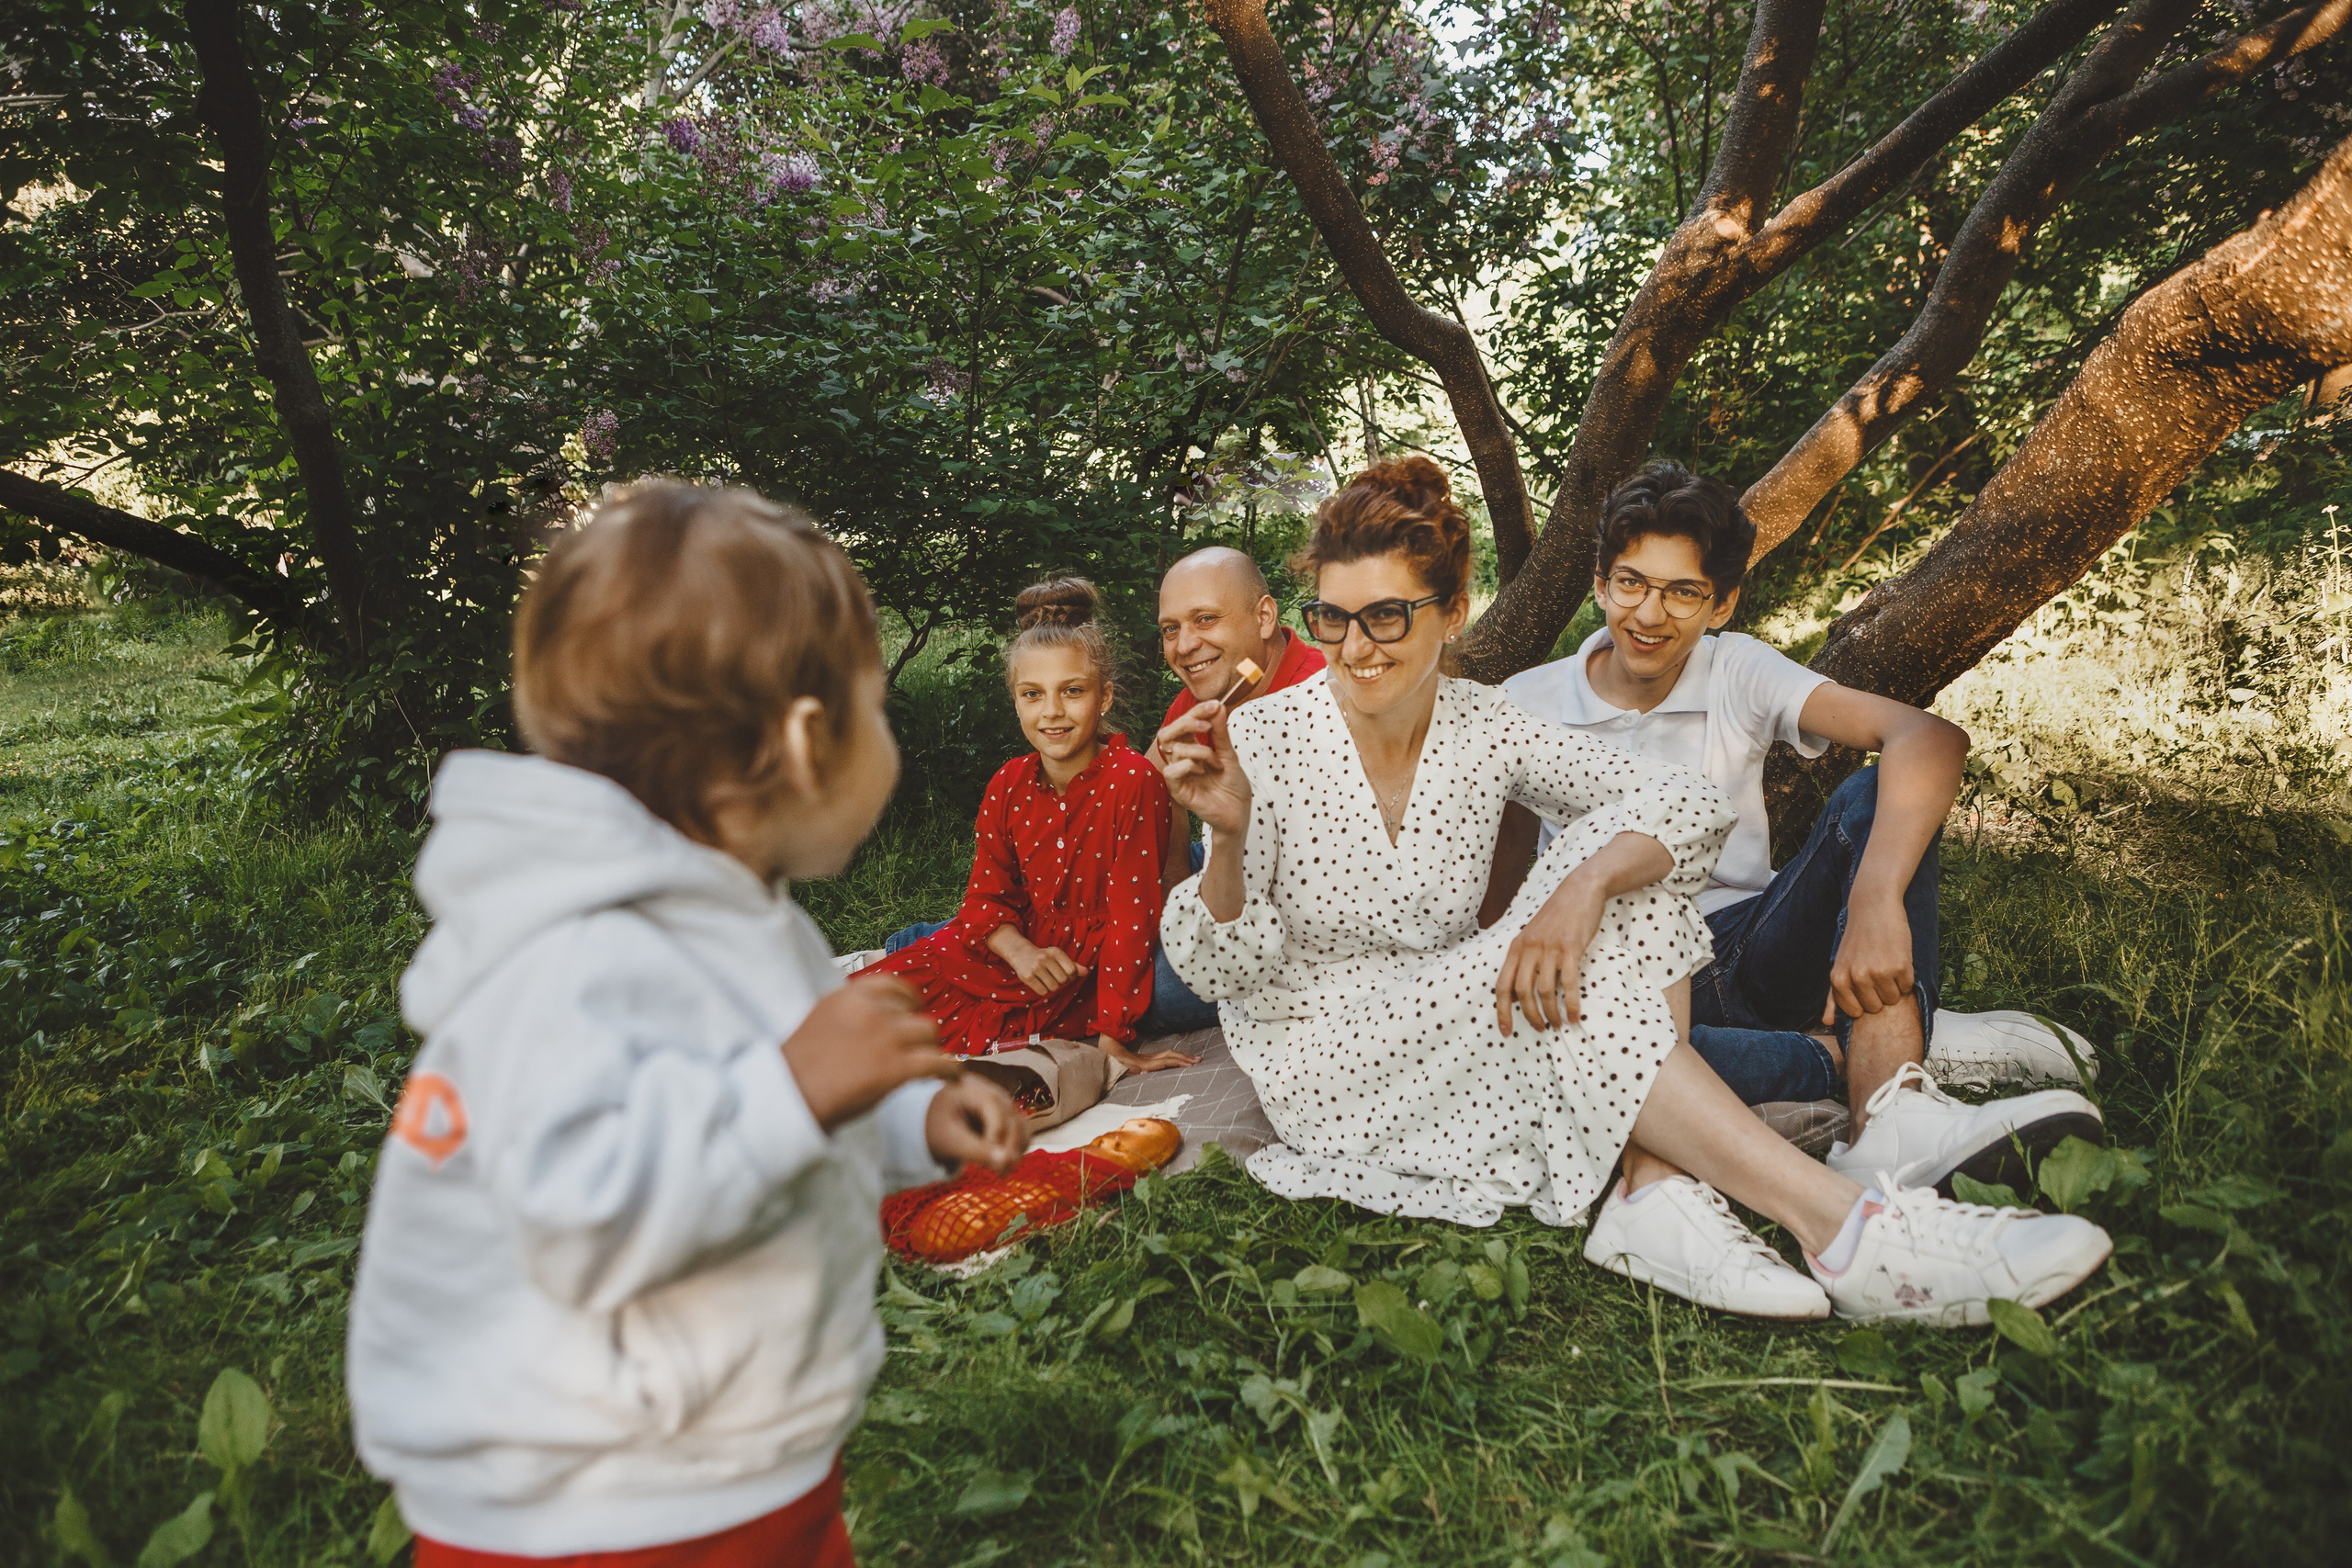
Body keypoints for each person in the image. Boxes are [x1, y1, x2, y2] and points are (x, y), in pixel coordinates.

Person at [1157, 456, 2113, 1322]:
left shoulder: (1487, 723)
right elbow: (1216, 970)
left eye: (1386, 616)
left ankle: (1659, 1192)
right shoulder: (1266, 735)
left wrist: (1584, 885)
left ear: (1452, 613)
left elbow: (1685, 803)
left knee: (1631, 878)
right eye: (1331, 618)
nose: (1355, 647)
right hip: (1328, 1053)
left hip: (1450, 1014)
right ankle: (1851, 1230)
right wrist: (1227, 841)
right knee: (1596, 921)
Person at [346, 481, 1027, 1565]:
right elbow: (586, 1218)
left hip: (731, 1456)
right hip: (599, 1501)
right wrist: (798, 1087)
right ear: (804, 743)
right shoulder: (572, 960)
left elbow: (746, 1110)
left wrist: (912, 1124)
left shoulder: (744, 918)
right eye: (877, 710)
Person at [1485, 463, 2103, 1197]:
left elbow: (1927, 738)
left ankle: (1890, 1117)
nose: (1649, 614)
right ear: (1600, 583)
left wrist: (1874, 901)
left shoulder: (1734, 669)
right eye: (1631, 583)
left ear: (1721, 603)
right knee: (1583, 1051)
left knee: (1875, 792)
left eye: (1683, 591)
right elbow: (1497, 890)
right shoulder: (1524, 704)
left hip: (1754, 945)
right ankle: (1854, 1054)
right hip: (1628, 982)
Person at [863, 579, 1199, 1073]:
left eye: (1073, 691)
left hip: (1075, 975)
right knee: (861, 1014)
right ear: (1016, 700)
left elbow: (1133, 919)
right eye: (1033, 694)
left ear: (1104, 697)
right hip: (1009, 953)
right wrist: (1019, 951)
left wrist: (1114, 1040)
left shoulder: (1133, 780)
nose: (1052, 712)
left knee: (930, 1056)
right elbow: (985, 898)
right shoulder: (1008, 783)